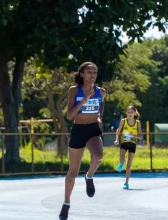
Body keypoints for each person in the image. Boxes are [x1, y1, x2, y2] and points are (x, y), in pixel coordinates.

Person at [59, 62, 107, 220]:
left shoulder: (101, 92)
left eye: (94, 72)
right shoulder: (74, 91)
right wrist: (84, 100)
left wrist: (99, 118)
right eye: (89, 72)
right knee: (72, 171)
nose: (92, 75)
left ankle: (89, 176)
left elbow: (101, 109)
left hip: (93, 130)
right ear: (82, 74)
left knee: (99, 157)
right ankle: (66, 203)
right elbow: (70, 116)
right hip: (78, 130)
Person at [114, 106, 142, 190]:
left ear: (134, 113)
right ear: (126, 113)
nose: (130, 114)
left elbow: (140, 136)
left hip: (132, 144)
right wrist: (116, 140)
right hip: (124, 142)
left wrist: (134, 135)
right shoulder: (123, 121)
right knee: (122, 157)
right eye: (128, 112)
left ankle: (126, 183)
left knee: (129, 165)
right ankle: (122, 162)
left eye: (131, 112)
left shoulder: (137, 123)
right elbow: (118, 131)